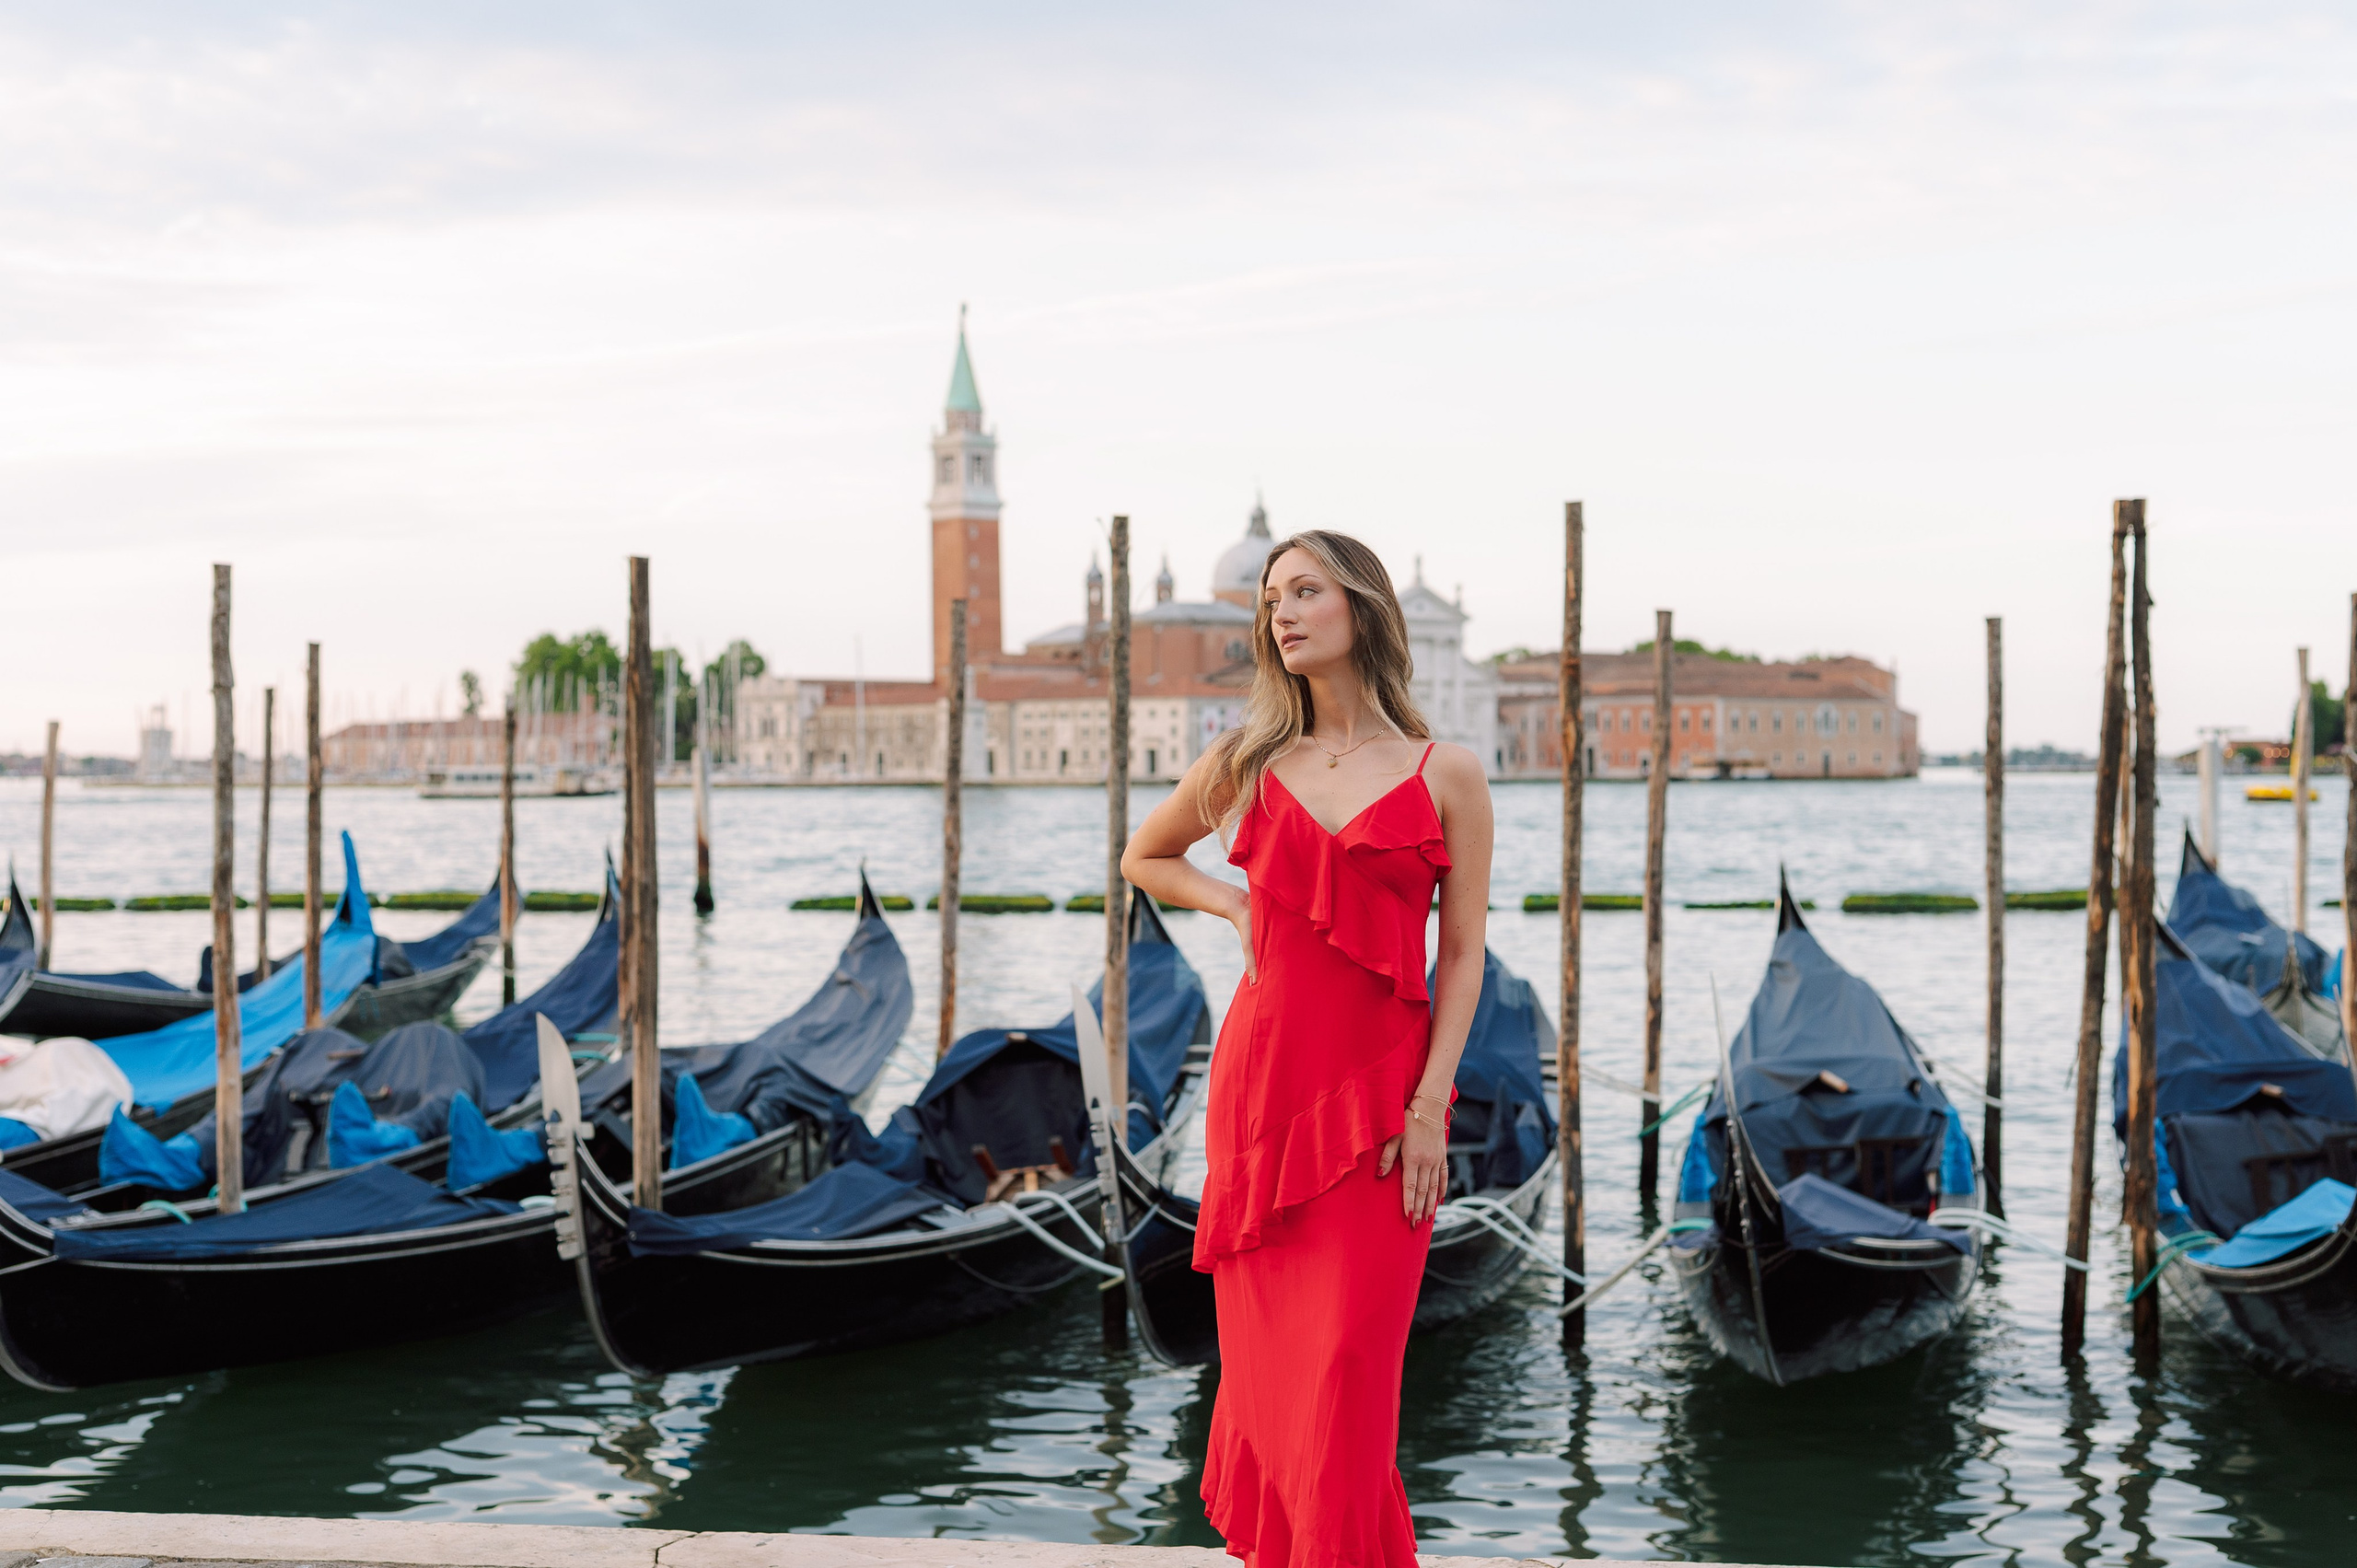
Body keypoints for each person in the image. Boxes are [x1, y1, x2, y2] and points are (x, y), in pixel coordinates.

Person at [1122, 528, 1493, 1568]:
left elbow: (1461, 958)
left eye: (1304, 591)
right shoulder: (1246, 759)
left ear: (1362, 606)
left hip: (1383, 1110)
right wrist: (1231, 900)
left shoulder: (1445, 771)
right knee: (1277, 1380)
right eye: (1270, 598)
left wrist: (1430, 1110)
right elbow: (1143, 854)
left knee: (1346, 1377)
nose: (1280, 612)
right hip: (1263, 1092)